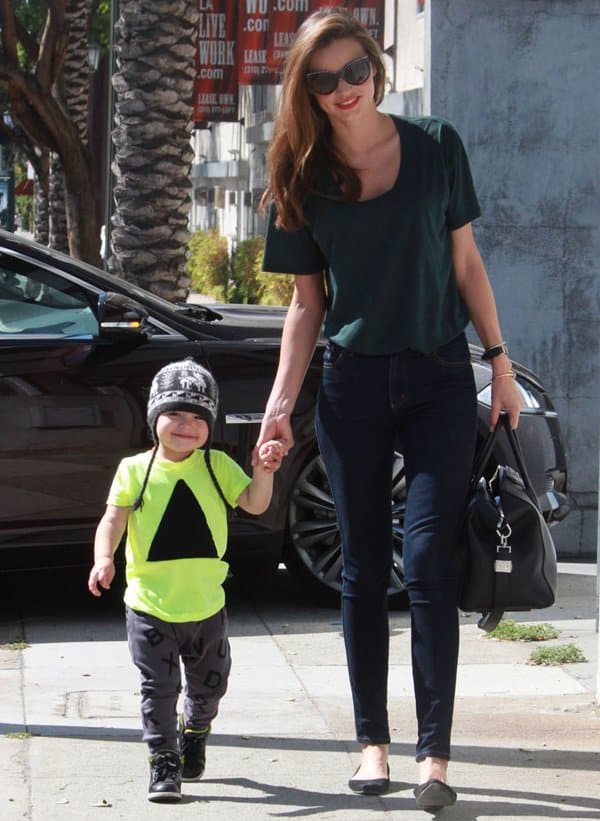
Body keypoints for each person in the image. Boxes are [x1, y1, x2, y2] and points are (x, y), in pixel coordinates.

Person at [254, 8, 523, 812]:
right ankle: (373, 744)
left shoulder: (437, 144)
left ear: (377, 65)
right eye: (323, 78)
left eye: (354, 71)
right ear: (306, 87)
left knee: (432, 560)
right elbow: (305, 306)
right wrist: (279, 406)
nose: (343, 90)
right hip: (351, 384)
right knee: (365, 570)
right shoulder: (299, 176)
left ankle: (434, 755)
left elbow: (465, 262)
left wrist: (499, 363)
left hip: (440, 375)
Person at [88, 358, 283, 803]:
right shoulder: (134, 470)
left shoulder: (216, 465)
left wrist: (264, 471)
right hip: (148, 606)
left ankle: (195, 730)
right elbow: (111, 521)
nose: (186, 425)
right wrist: (104, 559)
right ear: (155, 417)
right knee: (158, 689)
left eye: (198, 417)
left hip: (206, 609)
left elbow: (254, 504)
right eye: (175, 413)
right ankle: (163, 761)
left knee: (210, 685)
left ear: (209, 425)